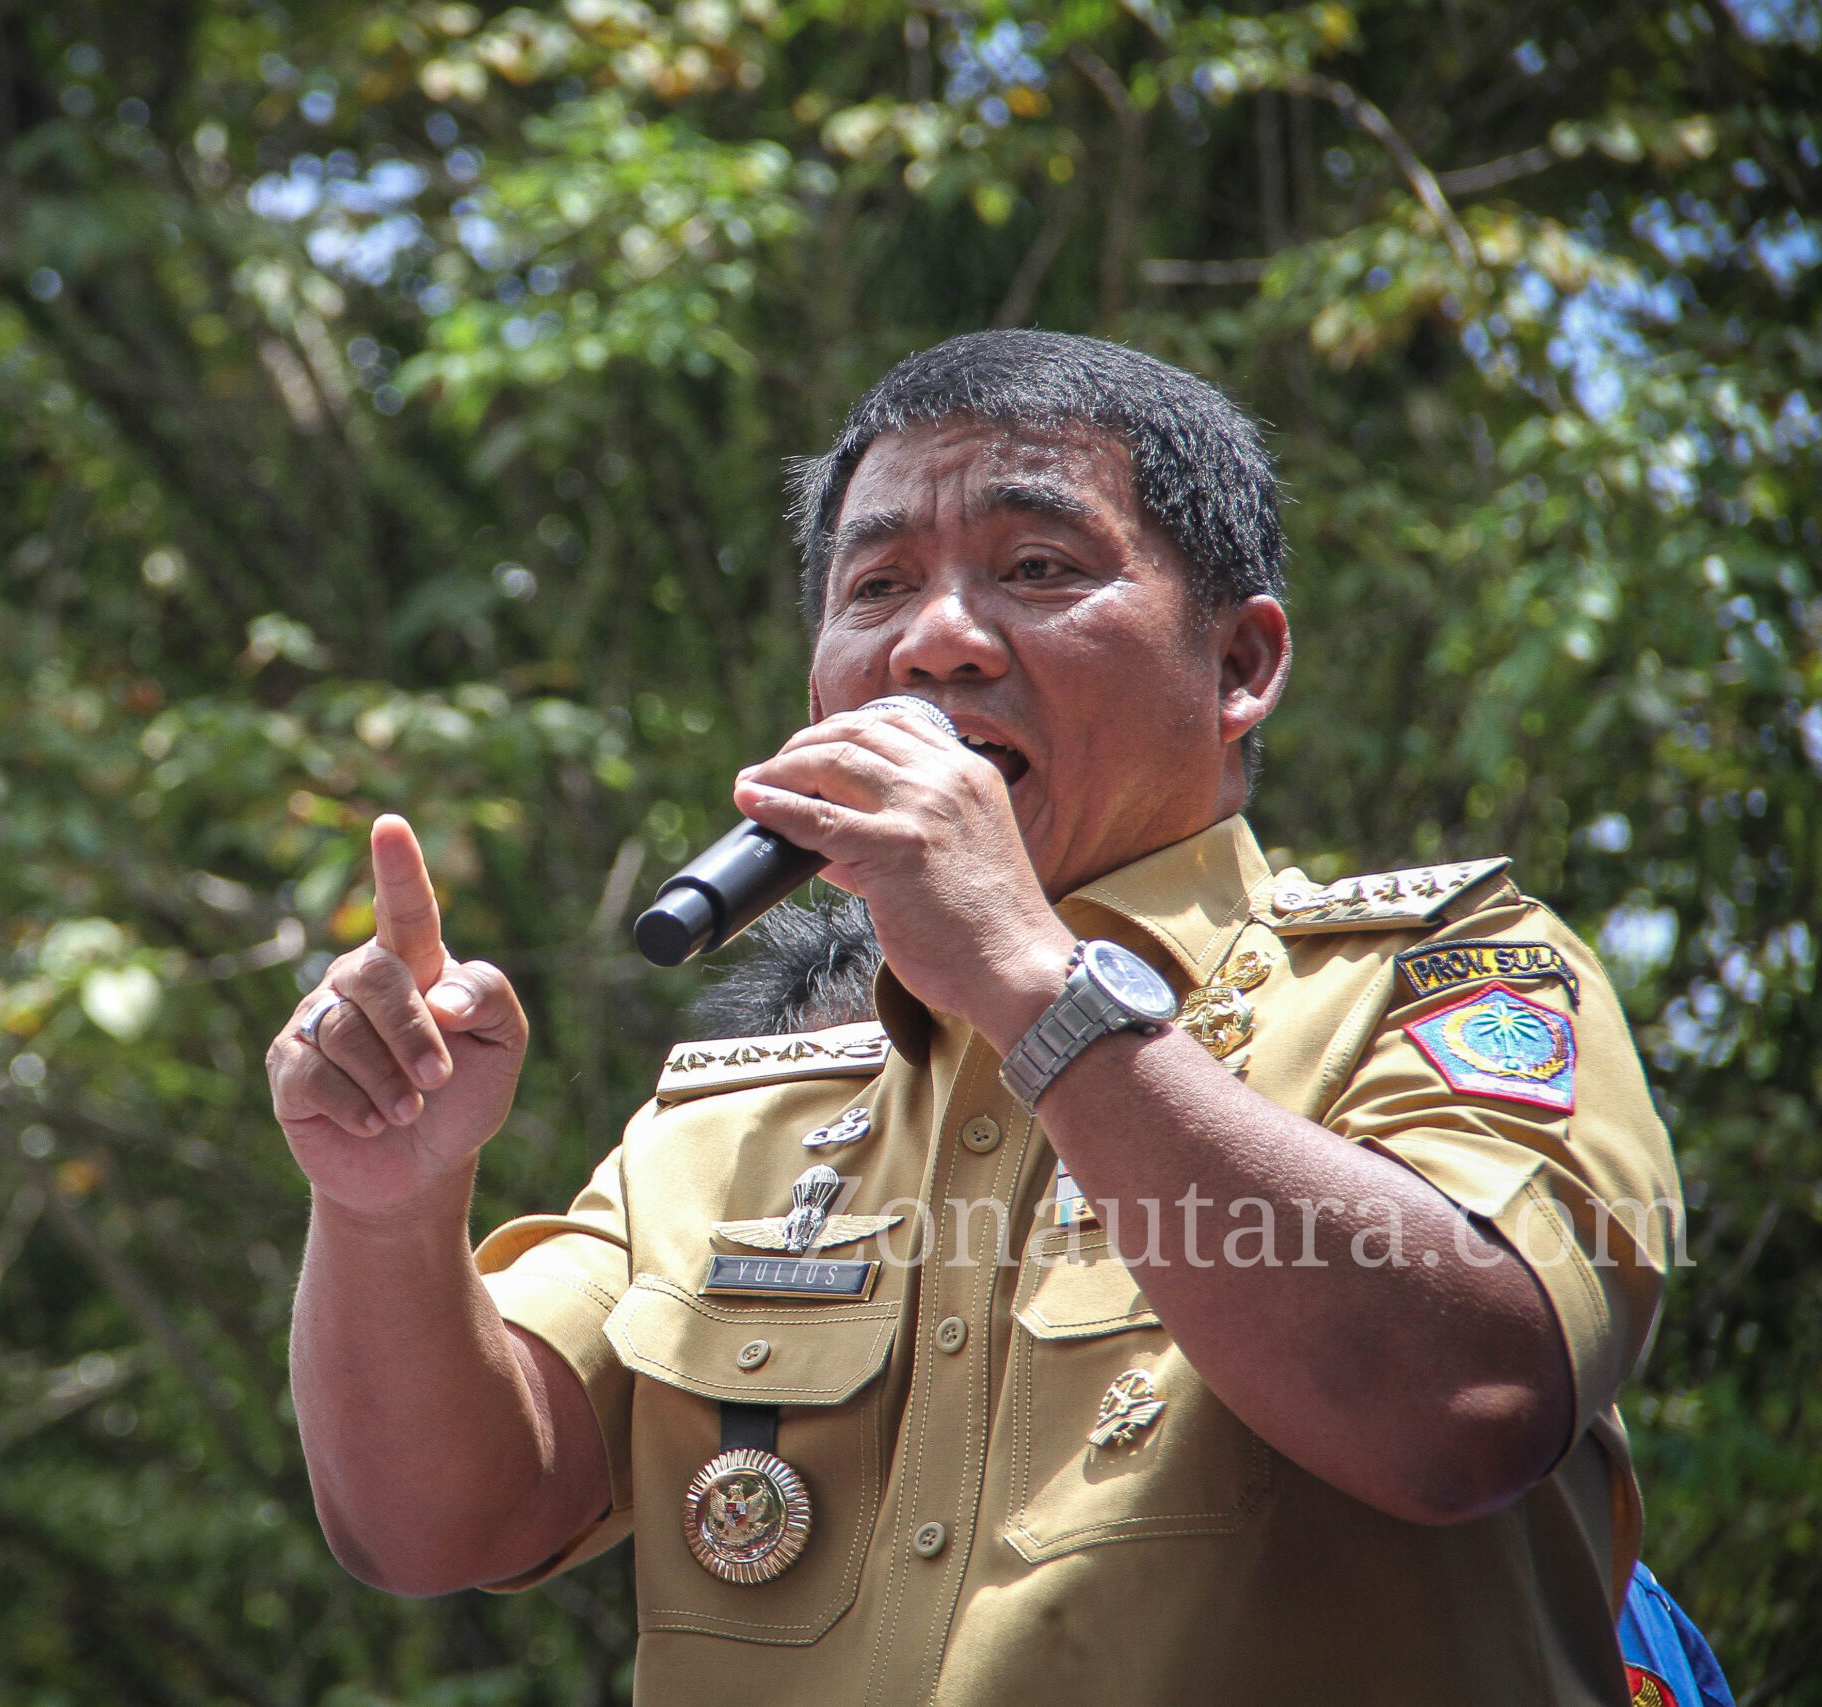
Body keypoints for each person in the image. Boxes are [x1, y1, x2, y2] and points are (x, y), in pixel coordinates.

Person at [268, 330, 1686, 1704]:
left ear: (1241, 665)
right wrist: (391, 1206)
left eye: (1037, 567)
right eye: (875, 588)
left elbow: (1462, 1413)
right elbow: (431, 1527)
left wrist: (1027, 976)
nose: (937, 642)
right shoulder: (739, 1120)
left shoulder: (1438, 977)